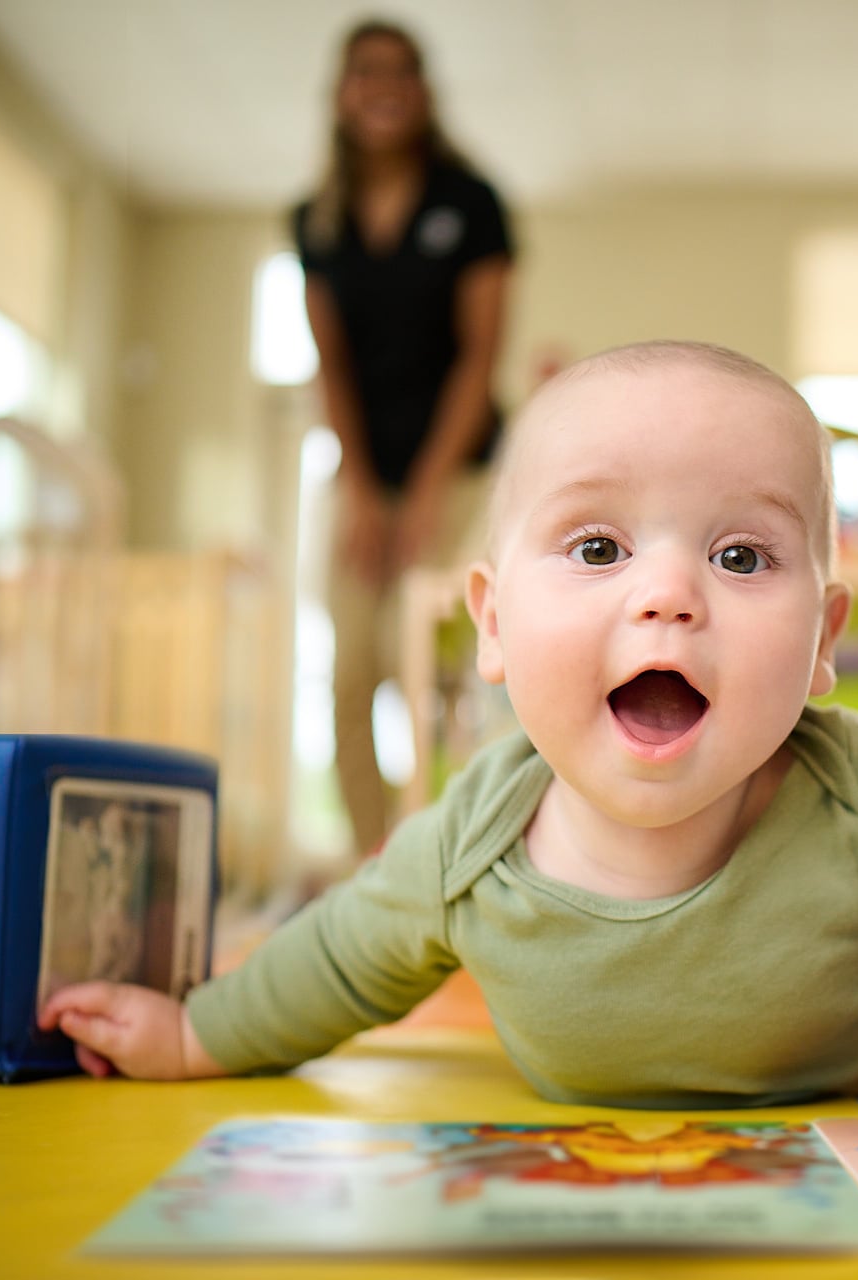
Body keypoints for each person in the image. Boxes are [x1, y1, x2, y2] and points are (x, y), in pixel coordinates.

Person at [41, 341, 858, 1134]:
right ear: (492, 623)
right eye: (600, 545)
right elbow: (332, 959)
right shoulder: (468, 844)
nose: (667, 593)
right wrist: (196, 1036)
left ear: (823, 643)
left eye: (743, 557)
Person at [300, 18, 514, 858]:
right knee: (351, 669)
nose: (382, 85)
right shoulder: (317, 221)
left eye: (399, 71)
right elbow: (332, 367)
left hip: (456, 468)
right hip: (362, 473)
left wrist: (423, 496)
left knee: (418, 655)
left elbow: (479, 356)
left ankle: (442, 850)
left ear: (423, 92)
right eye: (364, 71)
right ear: (342, 93)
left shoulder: (470, 204)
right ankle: (372, 869)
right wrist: (361, 490)